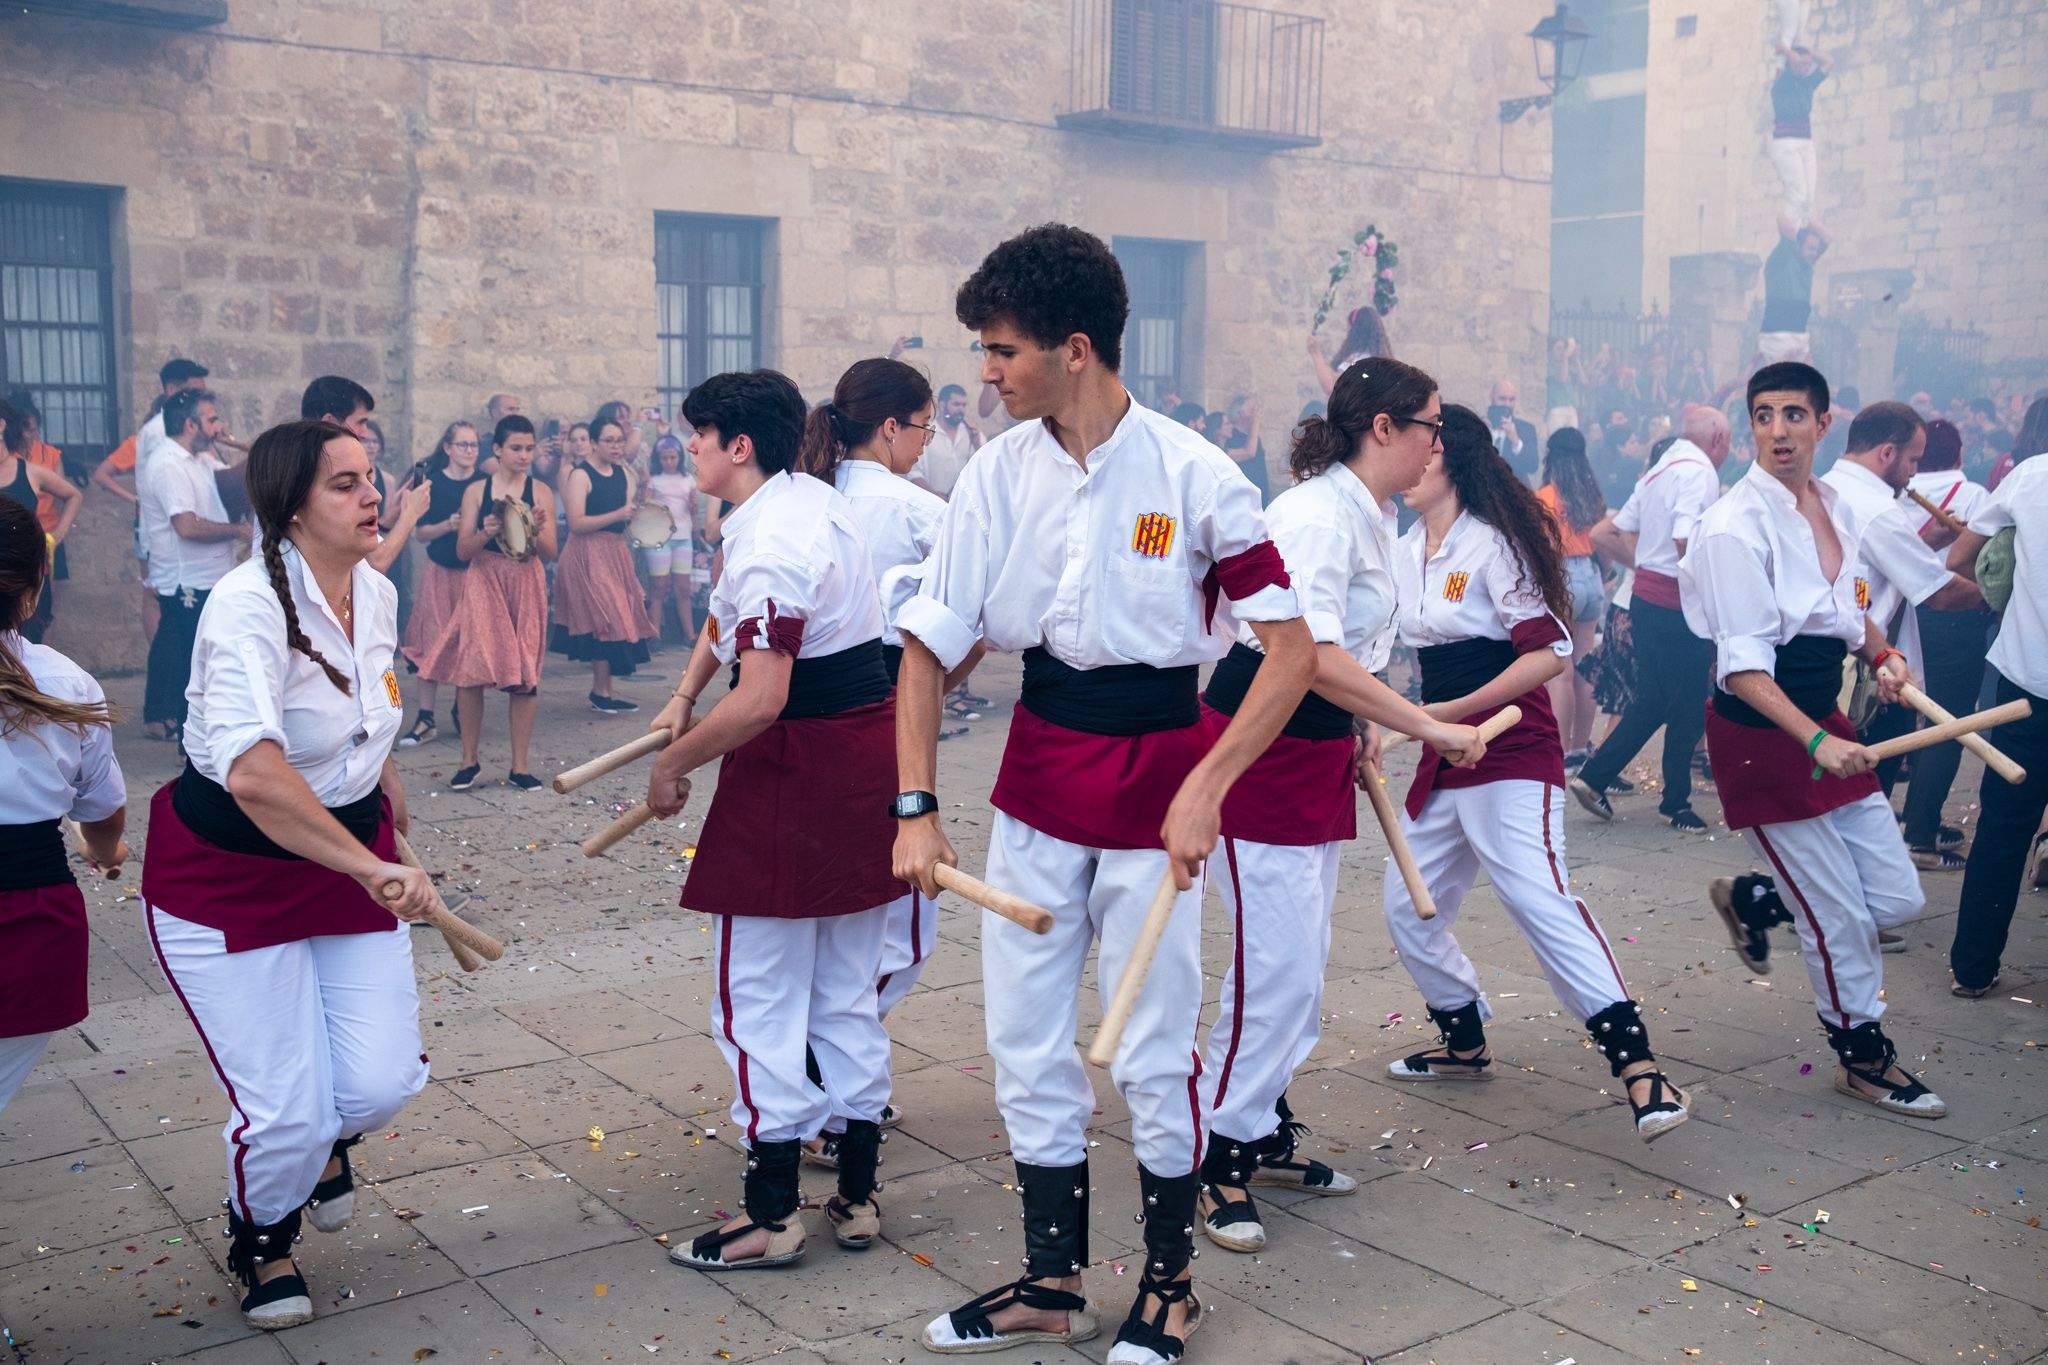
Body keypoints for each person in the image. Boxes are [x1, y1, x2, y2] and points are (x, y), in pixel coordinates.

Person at [895, 225, 1313, 1362]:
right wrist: (915, 804)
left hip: (1156, 777)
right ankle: (1048, 1282)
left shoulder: (1194, 474)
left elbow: (1288, 652)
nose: (985, 372)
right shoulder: (995, 474)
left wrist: (1209, 784)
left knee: (1150, 1045)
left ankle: (1170, 1288)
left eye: (1001, 350)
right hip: (1038, 770)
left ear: (1074, 349)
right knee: (1024, 1039)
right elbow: (929, 649)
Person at [138, 419, 436, 1329]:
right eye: (344, 484)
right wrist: (366, 863)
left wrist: (389, 811)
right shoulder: (243, 606)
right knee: (288, 1116)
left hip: (348, 858)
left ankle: (332, 1141)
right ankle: (262, 1235)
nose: (371, 494)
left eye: (369, 477)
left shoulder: (376, 593)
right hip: (231, 872)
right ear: (291, 509)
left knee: (381, 1082)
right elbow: (257, 772)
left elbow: (365, 716)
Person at [1193, 359, 1485, 1256]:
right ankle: (1214, 1154)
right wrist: (1425, 727)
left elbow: (1352, 654)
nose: (1442, 441)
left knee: (1302, 969)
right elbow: (1309, 653)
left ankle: (1257, 1125)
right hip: (1260, 746)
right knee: (1273, 968)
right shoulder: (1316, 514)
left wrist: (1366, 727)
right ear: (1385, 427)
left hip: (1316, 745)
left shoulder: (1374, 514)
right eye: (1432, 424)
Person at [647, 369, 900, 1271]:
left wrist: (674, 764)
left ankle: (769, 1214)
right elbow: (725, 626)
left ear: (737, 445)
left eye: (699, 437)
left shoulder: (773, 542)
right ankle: (859, 1194)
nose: (692, 451)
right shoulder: (807, 502)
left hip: (800, 764)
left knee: (754, 996)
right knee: (843, 988)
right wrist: (682, 696)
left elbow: (761, 697)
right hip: (863, 756)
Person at [1380, 406, 1689, 1144]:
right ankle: (1462, 1034)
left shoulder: (1496, 544)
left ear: (1446, 457)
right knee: (1408, 905)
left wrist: (1450, 710)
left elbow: (1549, 651)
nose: (1402, 466)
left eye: (1416, 451)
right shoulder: (1400, 548)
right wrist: (1395, 717)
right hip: (1443, 744)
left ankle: (1640, 1066)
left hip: (1510, 743)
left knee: (1538, 896)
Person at [1681, 362, 1944, 1118]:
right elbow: (1741, 669)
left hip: (1821, 724)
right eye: (1763, 415)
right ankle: (1862, 1056)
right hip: (1762, 734)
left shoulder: (1834, 504)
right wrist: (1813, 742)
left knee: (1895, 898)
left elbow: (1840, 609)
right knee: (1841, 919)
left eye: (1794, 414)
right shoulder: (1734, 525)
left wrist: (1881, 654)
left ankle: (1758, 897)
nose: (1777, 431)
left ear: (1825, 423)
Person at [0, 501, 128, 1115]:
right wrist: (108, 851)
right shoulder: (65, 682)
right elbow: (102, 813)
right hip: (27, 921)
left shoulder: (61, 683)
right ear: (35, 587)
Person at [1819, 402, 1984, 862]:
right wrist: (2004, 594)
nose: (1914, 474)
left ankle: (1829, 899)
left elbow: (1881, 561)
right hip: (1866, 672)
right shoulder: (1876, 508)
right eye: (1912, 460)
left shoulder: (1827, 487)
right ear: (1887, 453)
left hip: (1837, 659)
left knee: (1834, 797)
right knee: (1862, 794)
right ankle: (1833, 903)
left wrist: (1930, 543)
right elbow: (1939, 593)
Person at [1571, 405, 1730, 830]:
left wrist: (1643, 563)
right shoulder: (1699, 471)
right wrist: (1716, 586)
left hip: (1646, 599)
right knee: (1687, 699)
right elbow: (1684, 541)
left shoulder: (1662, 467)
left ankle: (1600, 778)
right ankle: (1673, 800)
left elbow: (1617, 526)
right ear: (1717, 441)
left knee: (1657, 698)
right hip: (1677, 605)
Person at [1942, 439, 2048, 996]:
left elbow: (1960, 557)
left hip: (2025, 684)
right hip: (2024, 682)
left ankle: (1973, 968)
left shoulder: (2032, 476)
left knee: (2003, 830)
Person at [419, 416, 558, 790]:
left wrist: (537, 527)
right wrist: (487, 532)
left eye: (529, 448)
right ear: (496, 449)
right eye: (516, 448)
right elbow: (464, 550)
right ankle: (468, 761)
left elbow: (550, 553)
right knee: (472, 669)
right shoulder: (476, 492)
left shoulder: (540, 490)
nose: (524, 455)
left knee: (526, 671)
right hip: (484, 577)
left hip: (525, 579)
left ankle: (520, 766)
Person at [1896, 419, 1996, 868]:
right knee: (1948, 725)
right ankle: (1918, 839)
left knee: (1907, 720)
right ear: (1957, 453)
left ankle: (1915, 820)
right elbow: (1989, 560)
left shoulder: (1896, 494)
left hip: (1905, 617)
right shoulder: (1974, 495)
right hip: (1956, 617)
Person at [138, 388, 241, 742]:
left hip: (209, 578)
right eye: (212, 420)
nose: (219, 425)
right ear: (189, 424)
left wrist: (233, 443)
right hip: (188, 583)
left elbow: (238, 479)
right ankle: (189, 743)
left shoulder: (201, 459)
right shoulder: (168, 463)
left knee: (199, 662)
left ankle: (189, 737)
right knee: (191, 667)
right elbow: (186, 525)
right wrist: (239, 530)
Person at [553, 413, 659, 709]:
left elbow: (625, 518)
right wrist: (618, 515)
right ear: (595, 444)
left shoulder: (625, 474)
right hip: (585, 553)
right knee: (604, 617)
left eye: (619, 441)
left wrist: (642, 519)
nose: (616, 446)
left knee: (616, 618)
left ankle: (604, 691)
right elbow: (576, 523)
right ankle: (601, 692)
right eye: (609, 441)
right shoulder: (580, 475)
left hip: (615, 552)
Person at [397, 421, 484, 747]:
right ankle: (426, 717)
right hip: (439, 572)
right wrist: (450, 524)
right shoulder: (435, 483)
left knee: (468, 644)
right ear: (448, 448)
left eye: (474, 445)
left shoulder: (483, 483)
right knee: (429, 642)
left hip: (474, 575)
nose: (469, 451)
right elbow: (420, 534)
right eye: (463, 445)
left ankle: (464, 710)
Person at [300, 377, 428, 576]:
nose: (366, 433)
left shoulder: (299, 462)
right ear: (330, 422)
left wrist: (387, 520)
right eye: (361, 423)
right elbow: (375, 562)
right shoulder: (317, 475)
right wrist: (411, 514)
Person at [1535, 428, 1607, 763]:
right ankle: (1580, 745)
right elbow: (1604, 541)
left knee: (1560, 670)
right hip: (1591, 577)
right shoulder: (1592, 495)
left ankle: (1560, 751)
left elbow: (1544, 549)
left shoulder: (1546, 497)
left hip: (1562, 577)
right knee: (1584, 664)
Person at [0, 399, 83, 643]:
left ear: (2, 425)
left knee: (28, 644)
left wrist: (58, 534)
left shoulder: (30, 472)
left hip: (28, 577)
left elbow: (73, 495)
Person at [641, 433, 700, 642]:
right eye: (664, 458)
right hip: (660, 539)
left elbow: (694, 508)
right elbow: (646, 508)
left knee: (683, 588)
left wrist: (696, 527)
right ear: (659, 459)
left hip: (683, 537)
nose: (669, 462)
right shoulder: (654, 481)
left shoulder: (688, 479)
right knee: (659, 587)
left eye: (673, 457)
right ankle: (654, 633)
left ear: (679, 457)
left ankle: (690, 634)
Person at [1768, 44, 1832, 233]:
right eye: (1801, 64)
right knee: (1797, 194)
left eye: (1807, 65)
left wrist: (1811, 54)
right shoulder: (1783, 82)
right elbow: (1794, 62)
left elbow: (1829, 62)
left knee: (1808, 199)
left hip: (1805, 142)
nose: (1805, 68)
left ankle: (1801, 234)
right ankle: (1790, 237)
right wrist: (1786, 50)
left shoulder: (1808, 83)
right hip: (1786, 143)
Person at [1758, 224, 1829, 365]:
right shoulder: (1780, 262)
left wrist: (1809, 222)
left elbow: (1828, 238)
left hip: (1799, 334)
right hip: (1778, 334)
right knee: (1783, 380)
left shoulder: (1807, 265)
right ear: (1798, 247)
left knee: (1806, 380)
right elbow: (1784, 225)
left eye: (1816, 249)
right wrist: (1796, 213)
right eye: (1811, 248)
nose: (1815, 253)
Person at [911, 382, 983, 498]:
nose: (961, 410)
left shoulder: (973, 434)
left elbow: (984, 468)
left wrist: (977, 445)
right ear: (942, 405)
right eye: (956, 404)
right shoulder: (925, 433)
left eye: (964, 405)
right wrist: (936, 496)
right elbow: (914, 474)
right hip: (933, 505)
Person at [1309, 306, 1391, 397]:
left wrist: (1315, 353)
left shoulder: (1359, 360)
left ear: (1355, 331)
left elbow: (1331, 386)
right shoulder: (1383, 362)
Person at [1488, 379, 1541, 485]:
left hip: (1512, 489)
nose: (1507, 404)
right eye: (1502, 399)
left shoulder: (1526, 429)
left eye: (1511, 400)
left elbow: (1532, 466)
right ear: (1492, 398)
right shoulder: (1481, 425)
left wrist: (1516, 441)